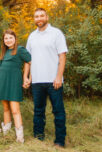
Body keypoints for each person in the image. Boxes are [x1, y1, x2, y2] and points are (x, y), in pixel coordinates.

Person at [26, 8, 68, 148]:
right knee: (38, 111)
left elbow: (62, 57)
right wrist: (28, 77)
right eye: (36, 16)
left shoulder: (56, 33)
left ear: (47, 17)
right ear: (34, 19)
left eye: (41, 16)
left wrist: (58, 77)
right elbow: (29, 59)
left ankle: (59, 141)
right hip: (37, 80)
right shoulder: (32, 36)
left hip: (53, 80)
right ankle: (38, 138)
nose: (39, 18)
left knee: (58, 111)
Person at [0, 29, 31, 143]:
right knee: (5, 108)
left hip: (14, 82)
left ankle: (20, 138)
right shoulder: (4, 52)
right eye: (6, 38)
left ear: (15, 38)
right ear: (3, 40)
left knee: (15, 110)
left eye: (10, 38)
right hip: (3, 82)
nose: (8, 40)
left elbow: (30, 62)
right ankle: (7, 134)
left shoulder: (20, 50)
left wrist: (27, 78)